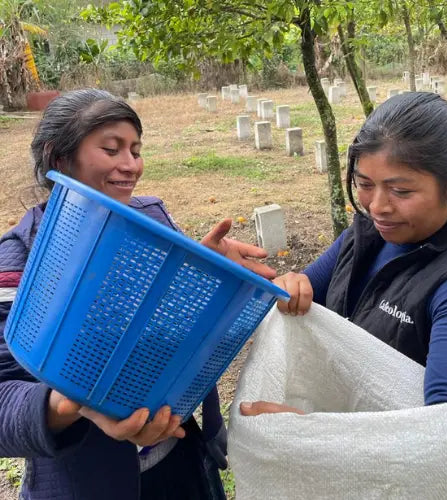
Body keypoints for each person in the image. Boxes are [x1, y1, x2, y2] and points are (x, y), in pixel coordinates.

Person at [0, 88, 277, 500]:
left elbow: (172, 328)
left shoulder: (154, 224)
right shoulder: (21, 258)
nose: (131, 166)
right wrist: (73, 404)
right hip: (87, 485)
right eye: (112, 150)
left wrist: (202, 271)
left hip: (178, 465)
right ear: (59, 158)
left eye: (136, 150)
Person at [239, 92, 447, 497]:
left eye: (401, 191)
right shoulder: (360, 240)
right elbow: (300, 293)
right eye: (364, 184)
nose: (377, 206)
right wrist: (291, 285)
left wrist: (313, 439)